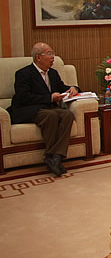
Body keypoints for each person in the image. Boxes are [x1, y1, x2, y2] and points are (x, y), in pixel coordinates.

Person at [8, 43, 80, 177]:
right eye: (49, 54)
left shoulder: (52, 73)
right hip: (27, 109)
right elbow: (24, 97)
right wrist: (49, 98)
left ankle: (55, 157)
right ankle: (52, 156)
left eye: (53, 53)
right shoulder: (24, 74)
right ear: (38, 57)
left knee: (67, 115)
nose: (53, 57)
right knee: (51, 115)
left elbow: (62, 87)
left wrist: (73, 88)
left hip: (48, 107)